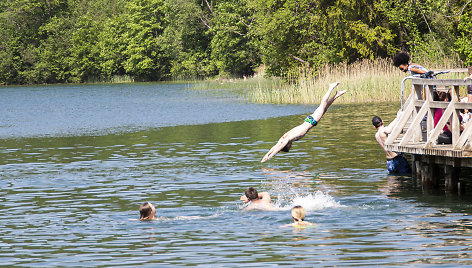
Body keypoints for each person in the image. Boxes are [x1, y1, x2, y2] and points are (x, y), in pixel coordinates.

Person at [261, 82, 346, 163]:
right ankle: (336, 95)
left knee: (323, 104)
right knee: (325, 107)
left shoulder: (287, 139)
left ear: (286, 145)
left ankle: (331, 87)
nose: (291, 146)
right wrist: (266, 155)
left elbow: (277, 148)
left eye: (289, 147)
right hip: (309, 121)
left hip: (311, 121)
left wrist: (269, 156)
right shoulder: (283, 138)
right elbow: (275, 146)